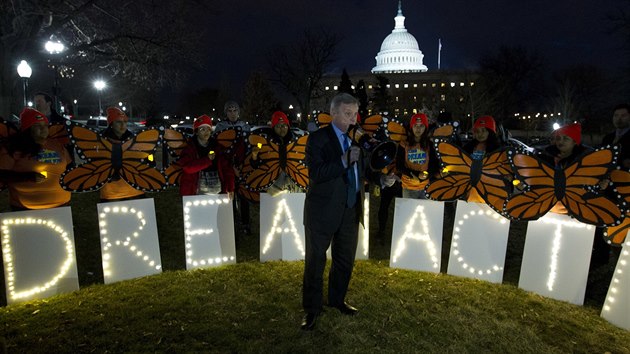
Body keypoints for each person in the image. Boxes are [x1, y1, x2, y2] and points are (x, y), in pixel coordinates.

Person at [301, 93, 370, 331]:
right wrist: (342, 160)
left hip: (350, 210)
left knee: (344, 261)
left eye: (354, 114)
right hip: (322, 212)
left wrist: (383, 178)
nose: (353, 120)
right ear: (334, 113)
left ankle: (337, 300)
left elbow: (362, 172)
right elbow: (316, 174)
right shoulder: (317, 139)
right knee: (315, 262)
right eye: (347, 114)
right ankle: (311, 309)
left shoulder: (357, 140)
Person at [0, 107, 71, 210]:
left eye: (45, 126)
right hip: (25, 209)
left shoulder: (57, 145)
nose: (43, 129)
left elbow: (69, 166)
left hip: (61, 207)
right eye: (37, 126)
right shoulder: (13, 147)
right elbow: (2, 174)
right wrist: (27, 177)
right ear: (27, 129)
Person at [214, 101, 252, 234]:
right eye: (229, 111)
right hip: (227, 166)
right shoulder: (220, 127)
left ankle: (246, 223)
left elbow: (249, 147)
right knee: (229, 195)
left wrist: (244, 165)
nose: (232, 113)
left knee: (244, 196)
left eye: (235, 110)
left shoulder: (245, 126)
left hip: (242, 166)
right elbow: (219, 149)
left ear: (238, 112)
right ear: (226, 113)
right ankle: (232, 223)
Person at [250, 111, 303, 195]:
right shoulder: (264, 142)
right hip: (273, 184)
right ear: (273, 127)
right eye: (278, 126)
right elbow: (255, 164)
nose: (282, 128)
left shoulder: (296, 141)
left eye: (284, 125)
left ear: (288, 126)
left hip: (293, 183)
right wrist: (254, 156)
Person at [99, 107, 145, 202]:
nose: (123, 125)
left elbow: (145, 160)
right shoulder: (100, 141)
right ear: (111, 124)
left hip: (136, 192)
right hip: (112, 195)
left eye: (125, 122)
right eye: (119, 122)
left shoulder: (134, 140)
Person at [396, 113, 438, 199]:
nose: (418, 128)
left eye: (421, 125)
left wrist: (426, 175)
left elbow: (434, 165)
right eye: (415, 125)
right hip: (408, 188)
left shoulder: (430, 145)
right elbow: (399, 166)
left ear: (425, 128)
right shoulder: (404, 144)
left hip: (425, 187)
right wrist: (415, 175)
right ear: (411, 127)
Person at [177, 115, 219, 196]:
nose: (206, 132)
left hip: (217, 191)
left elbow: (225, 167)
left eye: (208, 129)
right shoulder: (189, 148)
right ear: (196, 131)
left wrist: (229, 187)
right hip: (195, 192)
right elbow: (187, 168)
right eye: (202, 129)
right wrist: (207, 160)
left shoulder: (217, 146)